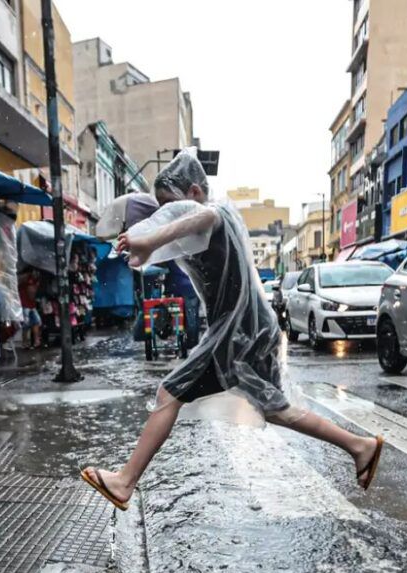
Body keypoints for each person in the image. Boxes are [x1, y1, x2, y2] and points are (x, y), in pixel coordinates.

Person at [81, 149, 385, 510]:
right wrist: (145, 245)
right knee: (275, 409)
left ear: (194, 191)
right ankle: (360, 446)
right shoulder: (195, 228)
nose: (168, 214)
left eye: (172, 205)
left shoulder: (216, 212)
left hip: (237, 332)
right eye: (161, 209)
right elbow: (173, 238)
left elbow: (201, 218)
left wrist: (150, 239)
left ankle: (125, 481)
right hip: (248, 329)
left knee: (169, 393)